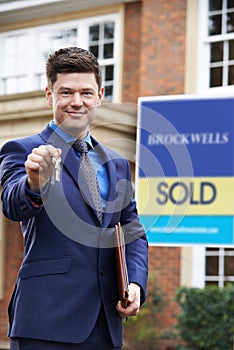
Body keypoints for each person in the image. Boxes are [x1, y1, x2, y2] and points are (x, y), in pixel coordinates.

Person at [0, 47, 148, 350]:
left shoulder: (117, 164)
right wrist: (34, 183)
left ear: (100, 95)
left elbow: (132, 230)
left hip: (106, 325)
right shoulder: (22, 149)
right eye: (66, 92)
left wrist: (134, 283)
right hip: (46, 324)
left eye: (86, 92)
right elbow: (12, 203)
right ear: (49, 94)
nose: (77, 102)